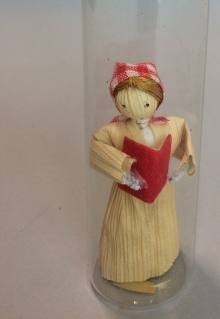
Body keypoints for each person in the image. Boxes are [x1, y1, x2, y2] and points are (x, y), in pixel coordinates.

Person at [89, 62, 196, 287]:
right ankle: (124, 273)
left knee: (162, 227)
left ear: (157, 98)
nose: (137, 111)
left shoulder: (168, 124)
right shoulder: (114, 130)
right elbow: (97, 146)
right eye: (125, 105)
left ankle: (163, 261)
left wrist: (182, 167)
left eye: (146, 103)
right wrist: (123, 171)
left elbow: (183, 131)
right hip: (129, 193)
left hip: (160, 190)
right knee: (127, 231)